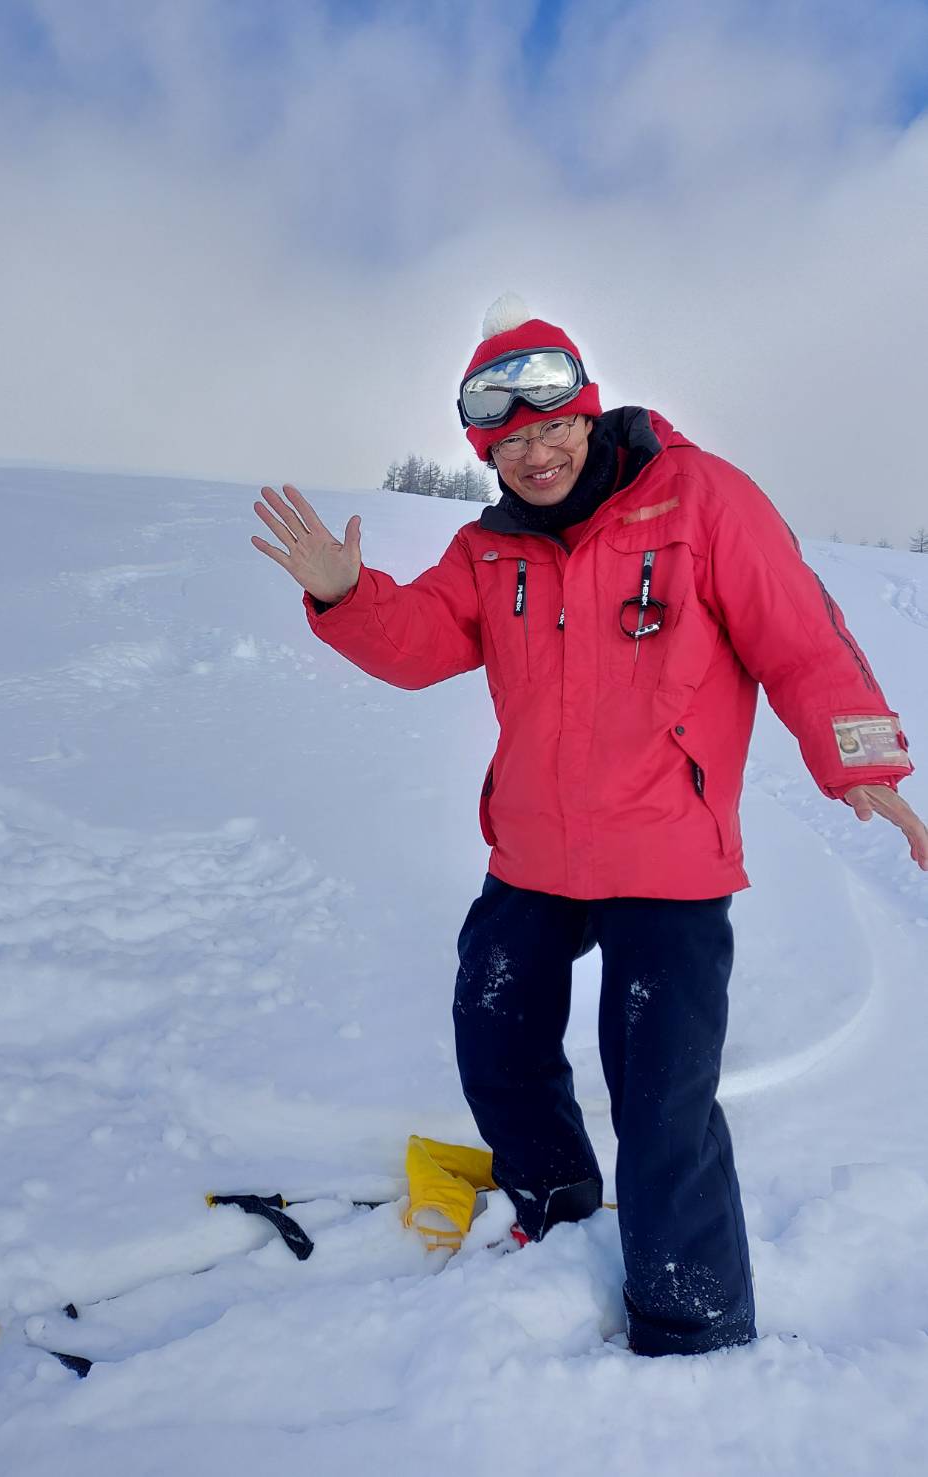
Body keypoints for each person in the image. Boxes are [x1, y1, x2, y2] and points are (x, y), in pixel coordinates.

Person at [250, 294, 927, 1357]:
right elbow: (421, 641)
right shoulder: (491, 549)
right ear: (486, 449)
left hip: (667, 857)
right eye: (507, 437)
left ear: (588, 409)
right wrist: (346, 595)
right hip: (534, 852)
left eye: (552, 422)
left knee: (663, 1099)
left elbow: (799, 634)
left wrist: (861, 757)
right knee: (495, 1027)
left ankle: (691, 1318)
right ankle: (555, 1198)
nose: (536, 450)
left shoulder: (699, 498)